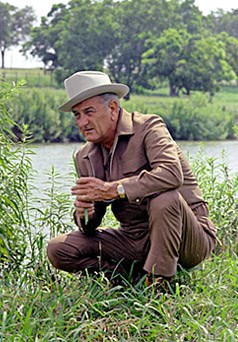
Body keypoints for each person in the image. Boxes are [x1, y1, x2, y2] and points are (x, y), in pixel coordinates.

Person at [47, 70, 216, 290]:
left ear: (113, 108)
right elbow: (90, 226)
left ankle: (159, 284)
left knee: (165, 197)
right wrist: (84, 213)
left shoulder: (149, 127)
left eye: (89, 111)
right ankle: (128, 277)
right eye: (77, 114)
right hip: (134, 240)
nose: (82, 122)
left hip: (189, 239)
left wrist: (115, 189)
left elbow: (172, 174)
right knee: (58, 248)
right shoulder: (84, 156)